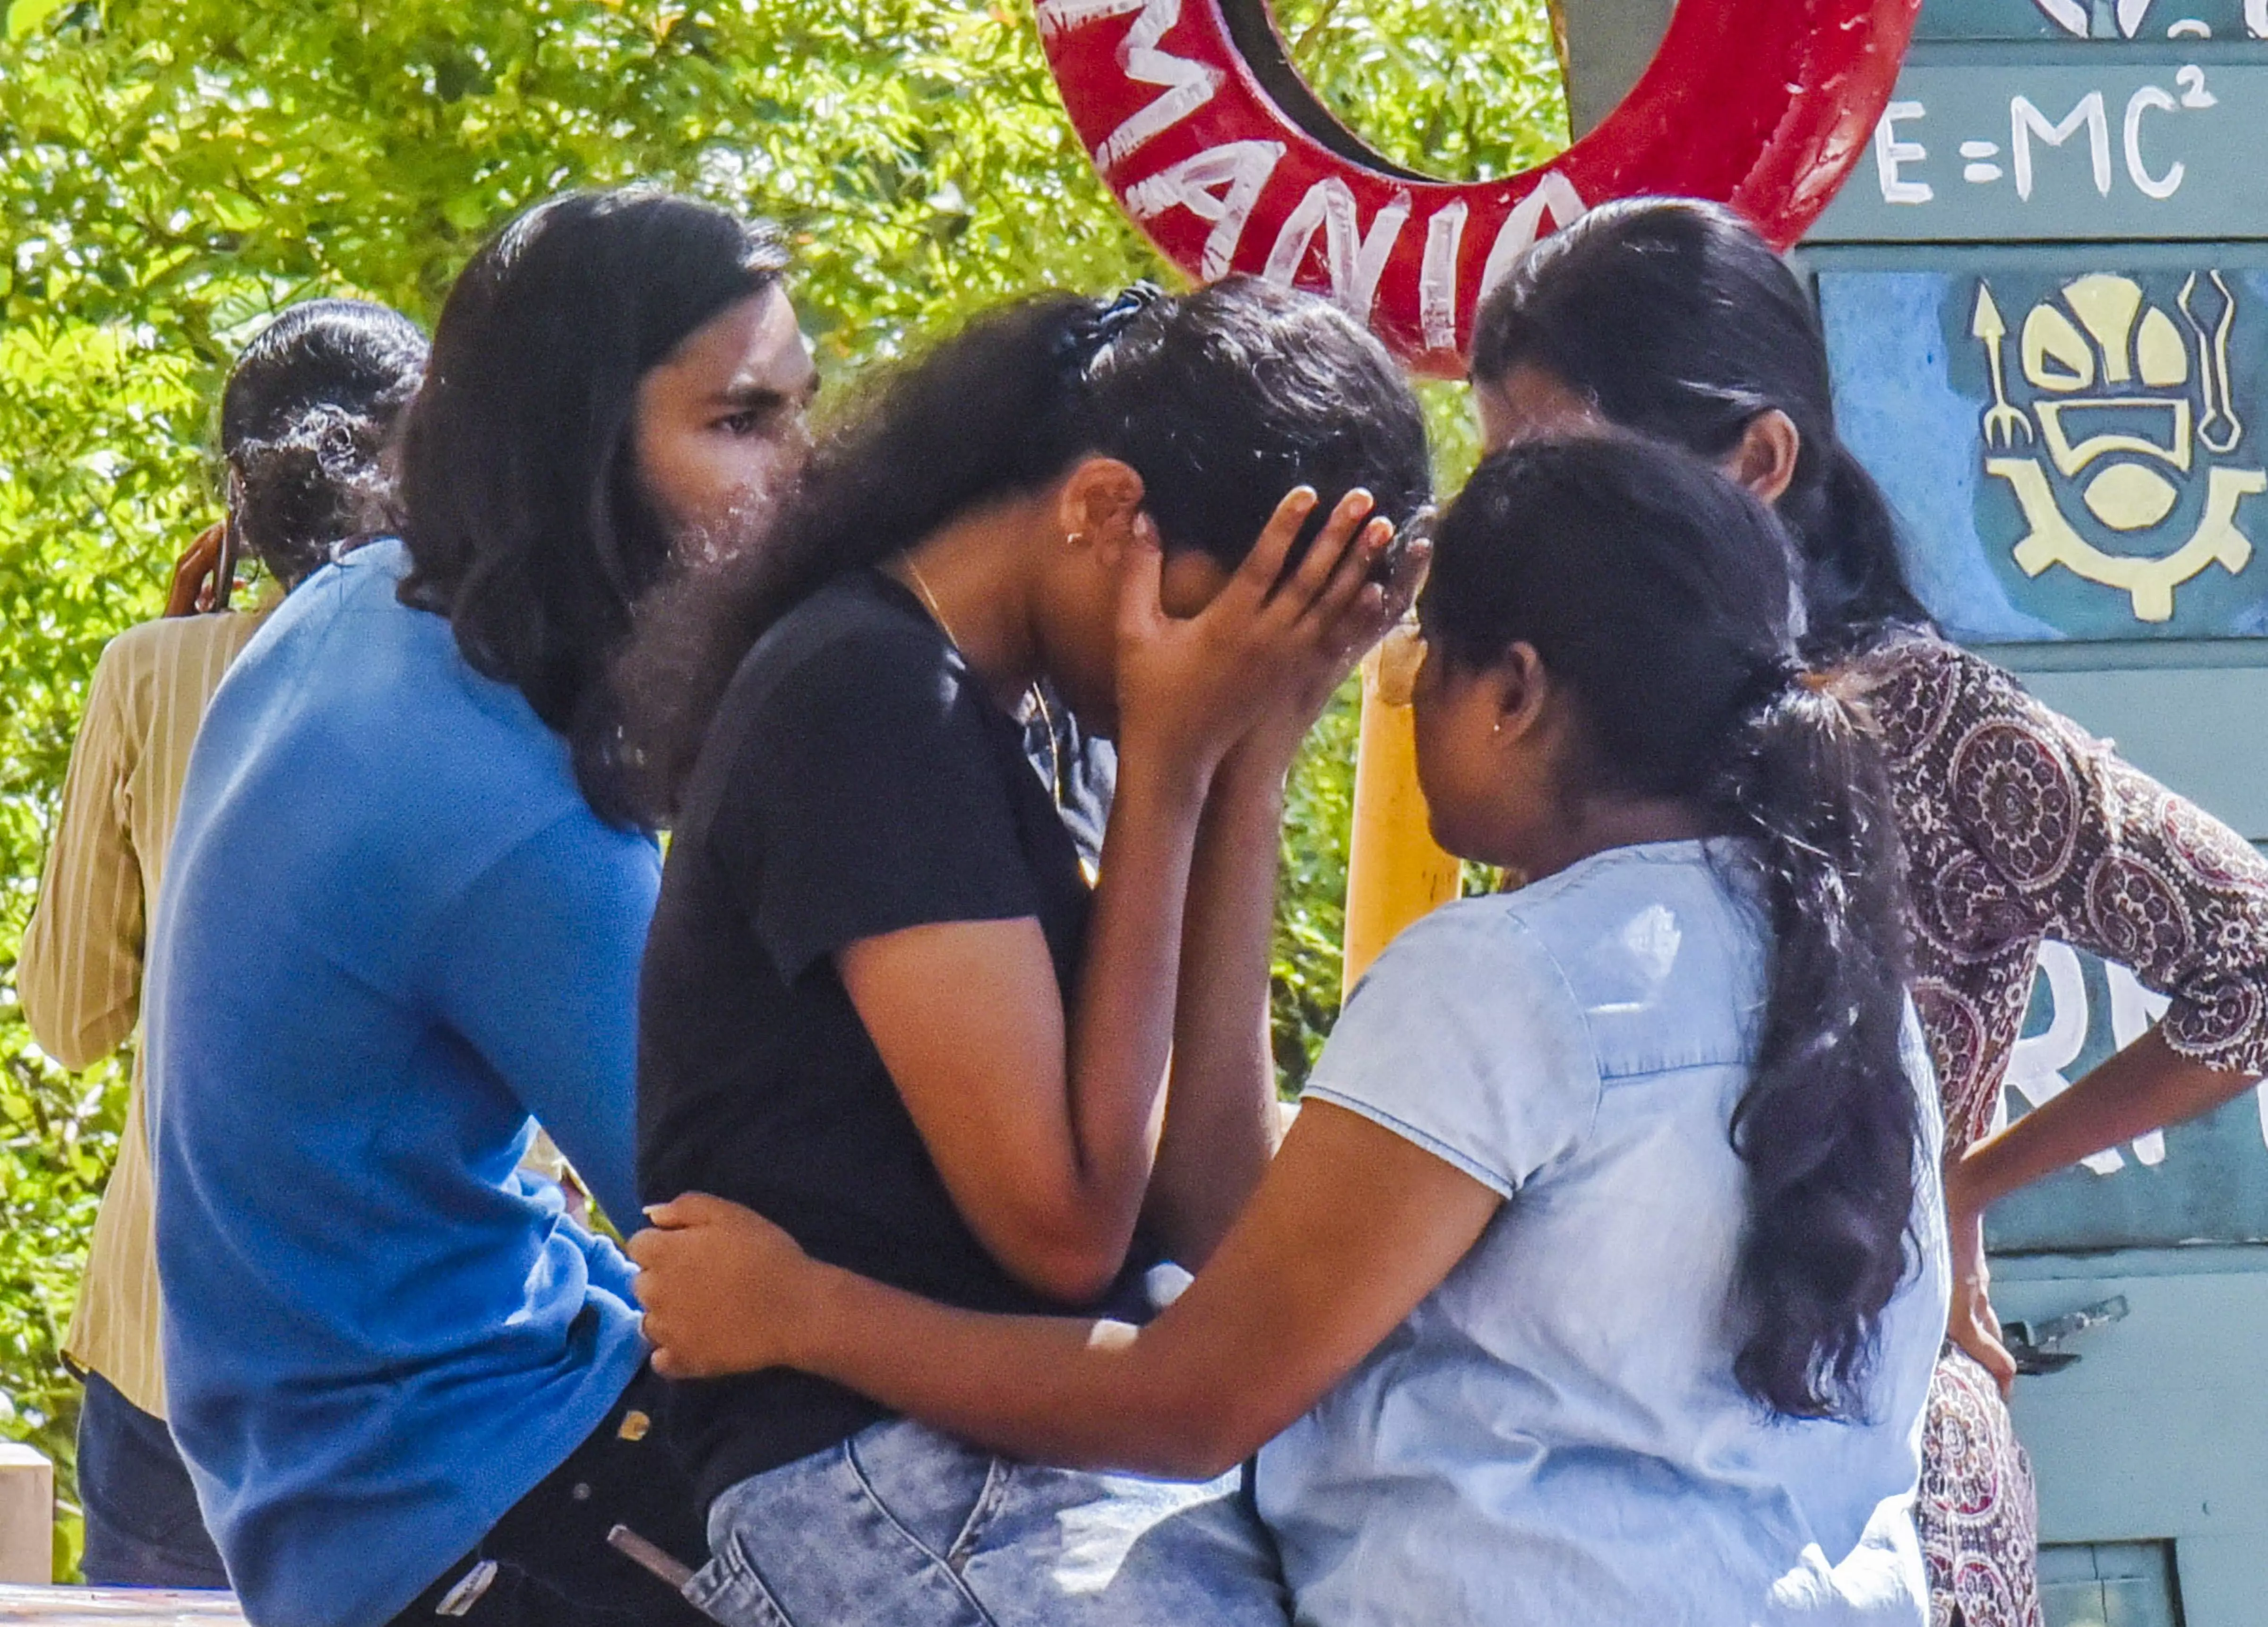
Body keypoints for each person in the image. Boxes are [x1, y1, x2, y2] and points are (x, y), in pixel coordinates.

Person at [630, 434, 1954, 1625]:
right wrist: (1244, 767)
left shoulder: (1510, 979)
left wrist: (803, 1313)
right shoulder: (1841, 987)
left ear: (1515, 692)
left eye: (1423, 663)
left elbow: (1193, 1401)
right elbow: (1239, 1231)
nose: (1402, 696)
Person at [1463, 196, 2268, 1627]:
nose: (1521, 531)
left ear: (1759, 461)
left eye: (1566, 472)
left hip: (1880, 1480)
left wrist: (1954, 1185)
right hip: (1610, 1490)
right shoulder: (1553, 726)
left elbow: (2253, 957)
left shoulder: (1937, 723)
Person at [618, 277, 1432, 1626]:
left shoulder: (1024, 711)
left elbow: (1217, 1209)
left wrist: (1254, 752)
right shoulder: (871, 701)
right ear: (1105, 509)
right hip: (879, 1470)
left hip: (1036, 1446)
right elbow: (1064, 1231)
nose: (1236, 663)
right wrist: (1176, 762)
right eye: (1226, 617)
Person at [144, 188, 815, 1627]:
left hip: (313, 1475)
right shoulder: (509, 808)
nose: (800, 478)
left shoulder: (364, 604)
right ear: (581, 448)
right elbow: (756, 1212)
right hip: (458, 1510)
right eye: (741, 423)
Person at [19, 297, 427, 1588]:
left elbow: (66, 1017)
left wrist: (177, 657)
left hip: (168, 1340)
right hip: (412, 1359)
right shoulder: (505, 682)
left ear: (238, 502)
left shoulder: (153, 678)